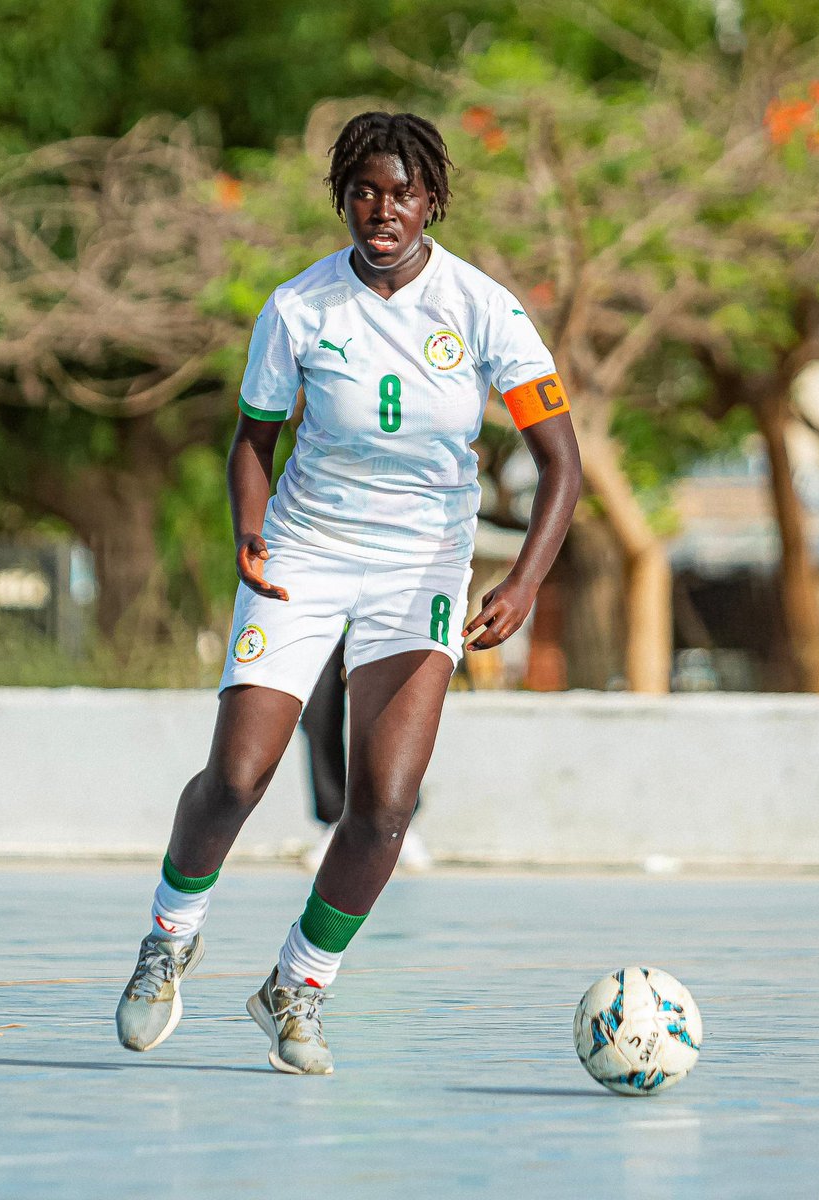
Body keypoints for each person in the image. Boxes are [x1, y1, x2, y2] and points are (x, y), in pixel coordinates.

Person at [116, 111, 582, 1075]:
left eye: (402, 193)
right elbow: (253, 441)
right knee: (238, 776)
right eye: (365, 191)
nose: (384, 209)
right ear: (344, 199)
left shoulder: (486, 308)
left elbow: (560, 464)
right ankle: (170, 934)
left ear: (432, 202)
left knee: (387, 804)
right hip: (305, 553)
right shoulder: (298, 308)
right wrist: (249, 531)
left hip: (422, 570)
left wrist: (525, 580)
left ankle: (297, 985)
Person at [299, 632, 430, 872]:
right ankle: (335, 821)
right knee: (318, 714)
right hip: (324, 615)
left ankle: (398, 823)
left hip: (381, 612)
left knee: (390, 711)